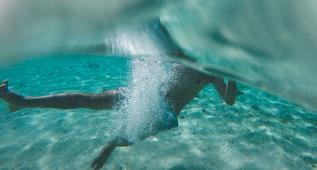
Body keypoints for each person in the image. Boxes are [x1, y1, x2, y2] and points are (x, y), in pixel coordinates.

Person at [0, 63, 237, 169]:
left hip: (165, 114)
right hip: (143, 94)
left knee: (129, 137)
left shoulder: (213, 72)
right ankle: (22, 102)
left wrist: (235, 75)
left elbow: (228, 99)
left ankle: (111, 144)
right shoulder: (184, 50)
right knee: (90, 99)